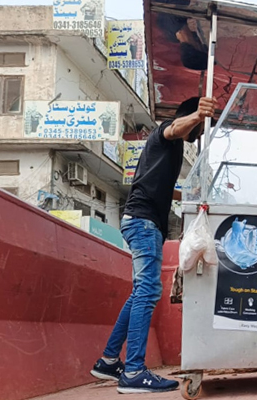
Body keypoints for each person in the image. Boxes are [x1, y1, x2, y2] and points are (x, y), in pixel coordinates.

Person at [89, 97, 216, 394]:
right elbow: (173, 129)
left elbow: (159, 187)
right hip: (143, 223)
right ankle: (133, 370)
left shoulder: (166, 154)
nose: (196, 136)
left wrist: (188, 197)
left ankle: (109, 360)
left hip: (142, 221)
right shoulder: (166, 135)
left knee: (140, 293)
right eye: (197, 129)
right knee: (147, 291)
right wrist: (198, 114)